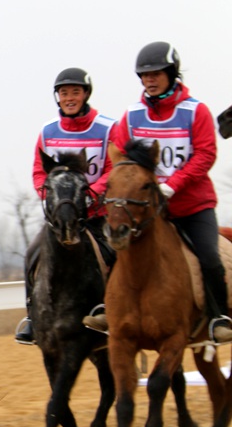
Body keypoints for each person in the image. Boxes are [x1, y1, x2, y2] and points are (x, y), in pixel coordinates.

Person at [81, 42, 232, 344]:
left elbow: (205, 155)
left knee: (209, 257)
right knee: (113, 249)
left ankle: (217, 316)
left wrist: (173, 184)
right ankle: (108, 309)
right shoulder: (133, 115)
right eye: (144, 75)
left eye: (155, 74)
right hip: (145, 207)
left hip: (191, 205)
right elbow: (119, 156)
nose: (149, 80)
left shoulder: (195, 111)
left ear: (171, 74)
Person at [15, 67, 116, 345]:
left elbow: (112, 167)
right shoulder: (47, 131)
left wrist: (92, 194)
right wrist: (48, 195)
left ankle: (113, 309)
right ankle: (33, 318)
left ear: (86, 95)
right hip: (62, 217)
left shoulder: (108, 128)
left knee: (114, 253)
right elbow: (39, 171)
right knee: (32, 255)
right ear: (57, 98)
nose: (69, 98)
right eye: (64, 93)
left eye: (75, 92)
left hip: (97, 215)